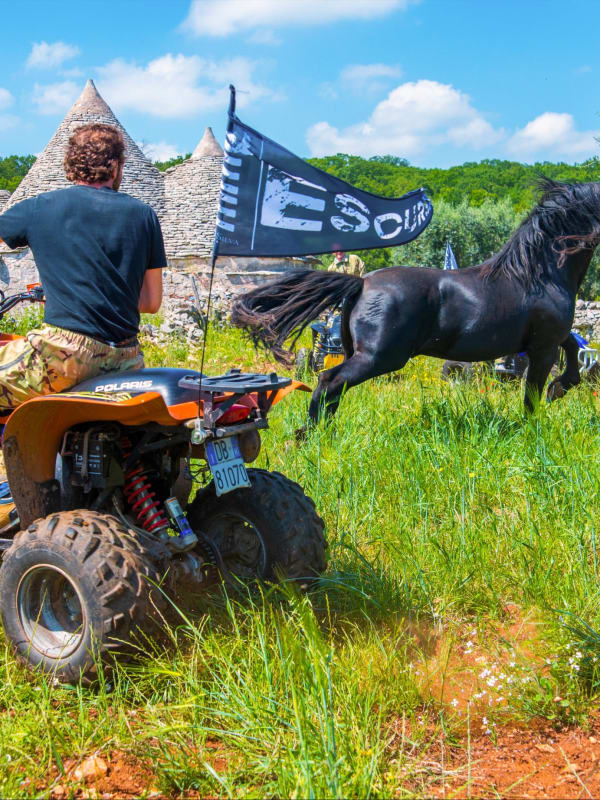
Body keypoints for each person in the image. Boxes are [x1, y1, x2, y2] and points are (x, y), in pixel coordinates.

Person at [0, 123, 164, 415]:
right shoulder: (144, 215)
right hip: (127, 358)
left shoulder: (41, 207)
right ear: (115, 167)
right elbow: (151, 303)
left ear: (71, 165)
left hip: (63, 355)